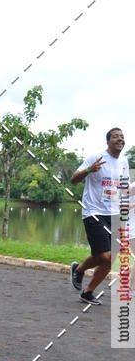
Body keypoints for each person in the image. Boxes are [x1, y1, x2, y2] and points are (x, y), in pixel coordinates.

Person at [70, 127, 131, 304]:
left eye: (122, 136)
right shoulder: (96, 158)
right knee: (105, 255)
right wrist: (89, 170)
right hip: (93, 211)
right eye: (115, 136)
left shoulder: (124, 162)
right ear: (108, 141)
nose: (120, 139)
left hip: (115, 213)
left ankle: (88, 292)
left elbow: (123, 189)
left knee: (112, 257)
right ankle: (79, 270)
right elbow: (74, 179)